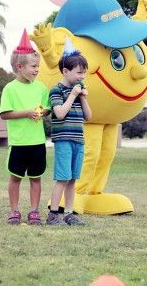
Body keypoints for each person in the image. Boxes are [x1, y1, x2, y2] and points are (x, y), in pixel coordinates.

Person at [0, 29, 51, 226]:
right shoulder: (10, 89)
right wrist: (27, 112)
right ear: (20, 67)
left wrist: (41, 112)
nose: (37, 70)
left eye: (38, 66)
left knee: (36, 178)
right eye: (34, 66)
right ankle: (14, 211)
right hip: (18, 142)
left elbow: (47, 109)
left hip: (37, 141)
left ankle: (35, 211)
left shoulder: (41, 88)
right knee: (15, 178)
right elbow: (5, 114)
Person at [46, 38, 92, 226]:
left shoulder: (80, 91)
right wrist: (72, 95)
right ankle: (53, 214)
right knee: (62, 177)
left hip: (78, 139)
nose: (82, 77)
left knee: (73, 178)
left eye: (84, 73)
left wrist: (82, 98)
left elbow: (88, 116)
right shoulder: (56, 90)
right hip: (63, 139)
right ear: (66, 71)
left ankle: (69, 214)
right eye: (79, 73)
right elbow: (59, 113)